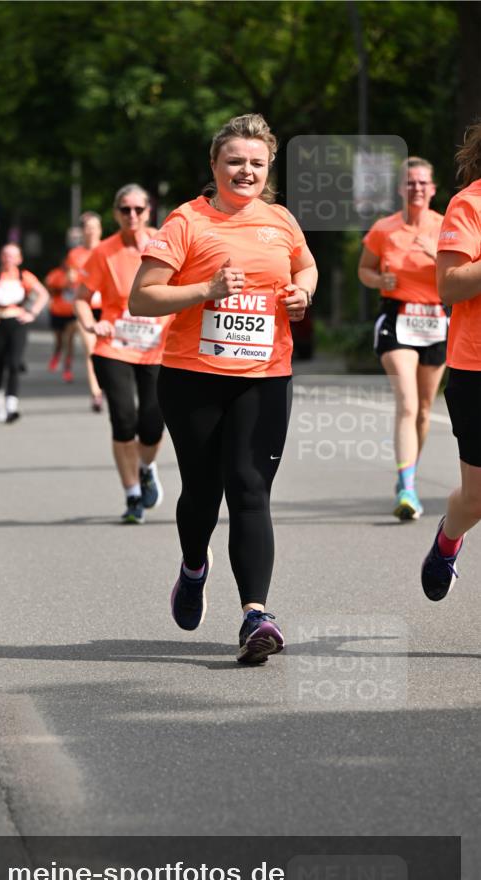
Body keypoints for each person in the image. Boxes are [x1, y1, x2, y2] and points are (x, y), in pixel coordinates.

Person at [130, 113, 317, 664]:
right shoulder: (186, 221)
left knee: (250, 488)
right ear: (214, 165)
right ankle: (193, 567)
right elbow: (143, 298)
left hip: (265, 376)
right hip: (193, 377)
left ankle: (256, 614)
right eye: (235, 161)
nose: (246, 171)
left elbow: (306, 268)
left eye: (257, 163)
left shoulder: (281, 221)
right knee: (203, 491)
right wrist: (205, 290)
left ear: (269, 169)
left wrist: (302, 294)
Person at [75, 185, 171, 524]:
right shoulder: (103, 252)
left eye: (138, 209)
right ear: (116, 213)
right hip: (114, 345)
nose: (132, 215)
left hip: (158, 347)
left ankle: (146, 468)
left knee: (151, 425)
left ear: (149, 212)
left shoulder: (166, 243)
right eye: (125, 209)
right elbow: (82, 299)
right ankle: (132, 496)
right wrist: (91, 325)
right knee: (123, 419)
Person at [359, 157, 448, 520]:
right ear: (400, 188)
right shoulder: (384, 229)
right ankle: (408, 488)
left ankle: (406, 474)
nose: (416, 188)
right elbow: (364, 269)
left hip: (436, 320)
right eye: (409, 183)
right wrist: (380, 281)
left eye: (422, 183)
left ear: (432, 189)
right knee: (408, 404)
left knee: (425, 409)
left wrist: (437, 257)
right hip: (397, 318)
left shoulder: (446, 227)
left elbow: (462, 272)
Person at [421, 122, 481, 600]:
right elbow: (450, 284)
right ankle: (447, 541)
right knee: (476, 498)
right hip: (475, 367)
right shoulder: (469, 204)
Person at [0, 243, 48, 423]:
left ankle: (11, 403)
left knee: (14, 363)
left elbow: (43, 294)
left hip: (17, 322)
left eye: (13, 256)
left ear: (19, 259)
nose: (9, 259)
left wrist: (32, 313)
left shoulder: (24, 276)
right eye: (6, 255)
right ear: (1, 257)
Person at [67, 212, 104, 411]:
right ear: (82, 232)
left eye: (94, 227)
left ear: (100, 229)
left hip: (107, 307)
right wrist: (73, 277)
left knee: (108, 350)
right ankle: (96, 392)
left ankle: (108, 384)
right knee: (91, 350)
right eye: (87, 227)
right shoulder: (75, 254)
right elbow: (72, 279)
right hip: (85, 307)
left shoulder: (108, 249)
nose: (90, 231)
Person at [45, 259, 77, 382]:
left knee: (69, 341)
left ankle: (67, 369)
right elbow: (50, 290)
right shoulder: (55, 274)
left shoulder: (77, 274)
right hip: (57, 312)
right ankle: (56, 355)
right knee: (59, 341)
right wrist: (63, 286)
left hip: (71, 313)